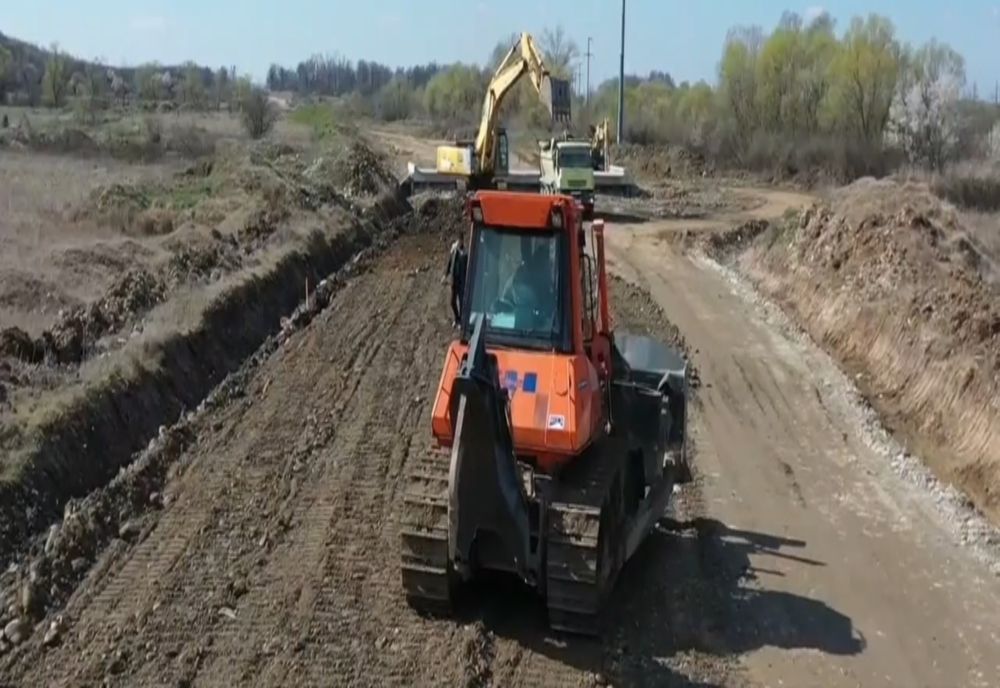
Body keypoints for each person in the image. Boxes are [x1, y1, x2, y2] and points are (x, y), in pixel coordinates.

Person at [443, 233, 468, 327]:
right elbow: (450, 262)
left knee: (461, 302)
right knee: (452, 301)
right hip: (454, 279)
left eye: (460, 241)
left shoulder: (465, 252)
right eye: (458, 241)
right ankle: (457, 318)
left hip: (462, 280)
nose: (459, 243)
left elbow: (467, 267)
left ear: (462, 241)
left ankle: (461, 321)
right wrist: (446, 274)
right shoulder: (454, 250)